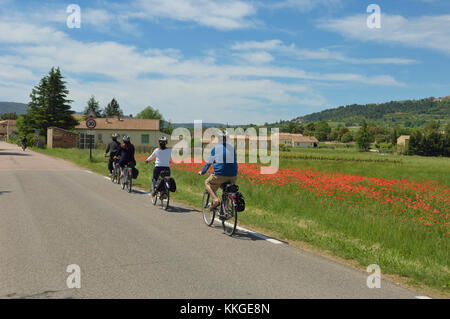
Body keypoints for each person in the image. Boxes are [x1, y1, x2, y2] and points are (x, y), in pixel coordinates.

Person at [198, 130, 238, 210]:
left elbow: (208, 163)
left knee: (207, 182)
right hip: (233, 176)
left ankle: (215, 199)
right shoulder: (232, 149)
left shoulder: (215, 149)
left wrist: (202, 172)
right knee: (225, 189)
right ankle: (226, 209)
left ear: (218, 138)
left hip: (219, 175)